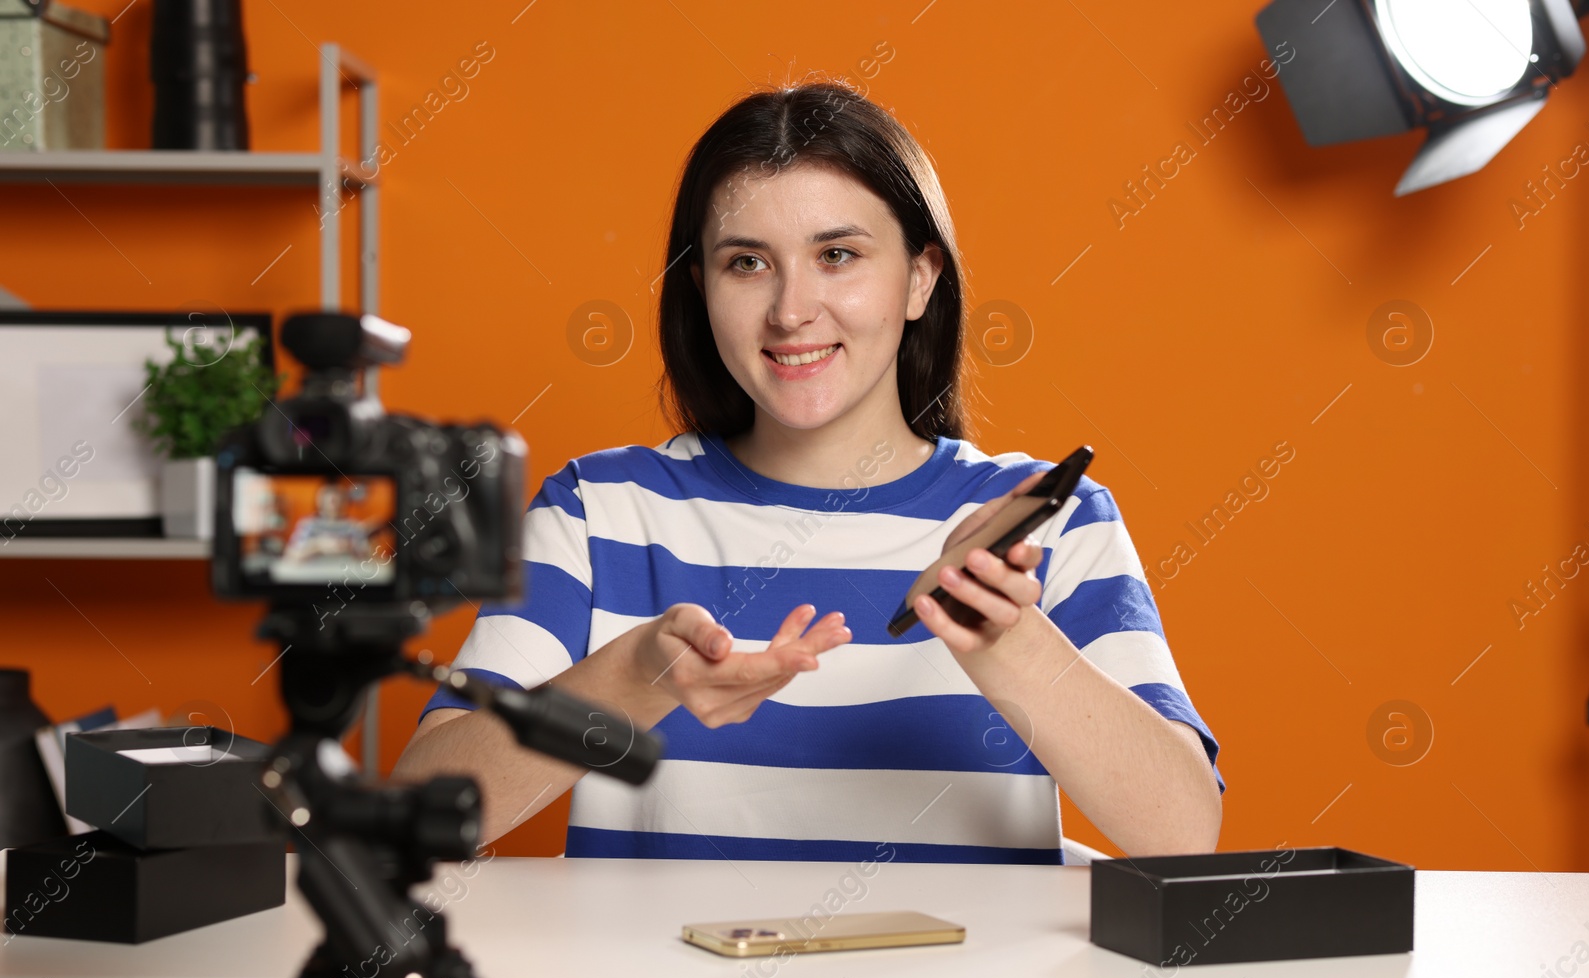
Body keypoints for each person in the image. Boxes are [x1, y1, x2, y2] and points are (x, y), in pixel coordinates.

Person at [392, 81, 1223, 863]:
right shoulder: (598, 512)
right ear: (701, 288)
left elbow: (1183, 834)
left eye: (838, 254)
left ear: (921, 278)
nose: (791, 311)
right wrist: (635, 679)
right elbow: (417, 814)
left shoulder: (1043, 522)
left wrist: (1009, 642)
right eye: (746, 262)